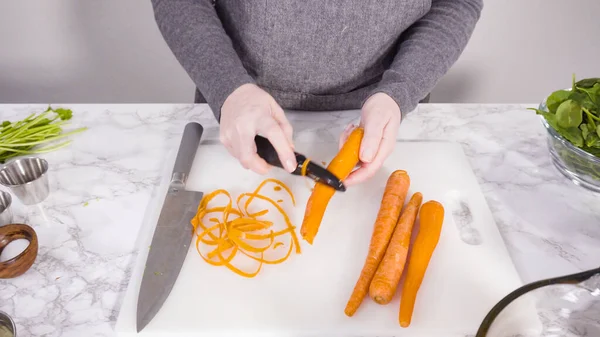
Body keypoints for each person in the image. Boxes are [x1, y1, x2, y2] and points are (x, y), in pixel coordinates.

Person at [151, 0, 483, 185]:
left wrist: (400, 91)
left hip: (386, 116)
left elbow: (456, 3)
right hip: (243, 113)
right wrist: (227, 86)